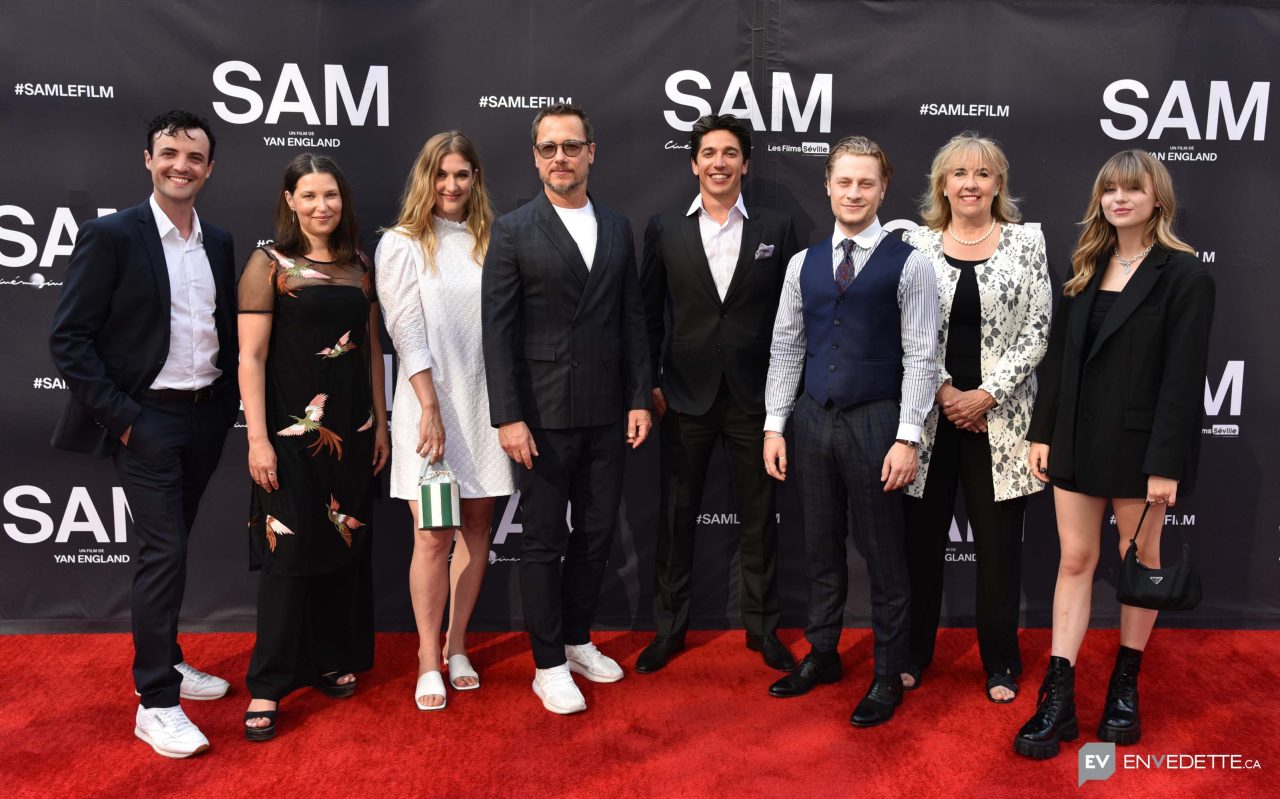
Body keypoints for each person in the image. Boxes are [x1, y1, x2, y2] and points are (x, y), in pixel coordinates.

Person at [1013, 150, 1214, 758]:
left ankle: (1125, 686)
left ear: (1159, 199)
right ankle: (1059, 697)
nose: (1119, 199)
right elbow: (1063, 360)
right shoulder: (1085, 265)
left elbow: (1183, 381)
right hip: (1076, 435)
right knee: (1075, 559)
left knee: (1140, 565)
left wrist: (1166, 464)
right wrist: (1043, 430)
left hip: (1139, 447)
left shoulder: (1186, 275)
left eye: (1133, 189)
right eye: (1110, 190)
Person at [50, 110, 238, 758]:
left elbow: (222, 329)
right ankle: (156, 700)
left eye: (193, 157)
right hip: (147, 420)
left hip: (206, 415)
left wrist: (229, 403)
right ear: (148, 159)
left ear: (209, 168)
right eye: (169, 153)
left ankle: (170, 657)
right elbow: (68, 339)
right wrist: (124, 419)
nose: (180, 166)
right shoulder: (111, 236)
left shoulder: (218, 240)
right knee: (165, 552)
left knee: (172, 546)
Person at [762, 136, 939, 728]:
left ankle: (888, 673)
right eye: (845, 182)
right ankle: (823, 653)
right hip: (812, 420)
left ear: (882, 189)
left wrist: (908, 436)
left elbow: (921, 356)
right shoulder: (802, 263)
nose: (855, 193)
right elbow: (786, 348)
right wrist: (774, 426)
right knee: (819, 549)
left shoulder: (910, 261)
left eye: (866, 183)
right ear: (829, 186)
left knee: (886, 557)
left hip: (877, 423)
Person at [481, 103, 652, 715]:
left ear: (591, 153)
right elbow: (496, 332)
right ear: (535, 157)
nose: (561, 157)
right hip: (543, 417)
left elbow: (632, 319)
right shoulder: (514, 229)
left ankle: (578, 639)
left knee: (598, 534)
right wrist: (508, 416)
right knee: (544, 540)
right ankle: (548, 663)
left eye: (571, 146)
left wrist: (638, 397)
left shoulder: (615, 224)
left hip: (608, 411)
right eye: (549, 147)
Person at [637, 113, 799, 673]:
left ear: (745, 164)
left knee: (760, 520)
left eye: (730, 153)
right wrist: (650, 384)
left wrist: (783, 399)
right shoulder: (664, 229)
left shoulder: (776, 231)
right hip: (683, 399)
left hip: (755, 400)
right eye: (709, 153)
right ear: (693, 164)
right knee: (675, 519)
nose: (719, 163)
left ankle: (764, 630)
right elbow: (647, 317)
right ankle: (668, 630)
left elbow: (790, 321)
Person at [237, 153, 389, 741]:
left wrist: (381, 423)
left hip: (350, 432)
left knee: (343, 543)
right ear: (290, 202)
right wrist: (257, 440)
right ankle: (270, 686)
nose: (321, 206)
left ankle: (330, 657)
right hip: (288, 435)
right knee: (289, 558)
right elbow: (250, 356)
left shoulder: (360, 266)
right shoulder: (268, 264)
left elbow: (373, 349)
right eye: (309, 196)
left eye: (331, 195)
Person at [900, 133, 1051, 703]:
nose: (970, 183)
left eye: (983, 174)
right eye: (959, 173)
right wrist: (943, 391)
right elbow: (904, 325)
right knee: (919, 550)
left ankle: (1001, 663)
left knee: (998, 554)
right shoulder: (914, 242)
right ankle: (913, 655)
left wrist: (985, 394)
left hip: (1000, 423)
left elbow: (1038, 329)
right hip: (929, 422)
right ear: (942, 183)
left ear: (998, 184)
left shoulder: (1025, 243)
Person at [376, 131, 516, 710]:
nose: (451, 186)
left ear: (476, 179)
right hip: (428, 403)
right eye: (441, 175)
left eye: (461, 174)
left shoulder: (494, 240)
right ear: (424, 179)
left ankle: (458, 644)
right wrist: (429, 406)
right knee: (432, 536)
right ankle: (426, 658)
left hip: (486, 407)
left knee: (478, 532)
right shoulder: (402, 242)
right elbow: (405, 329)